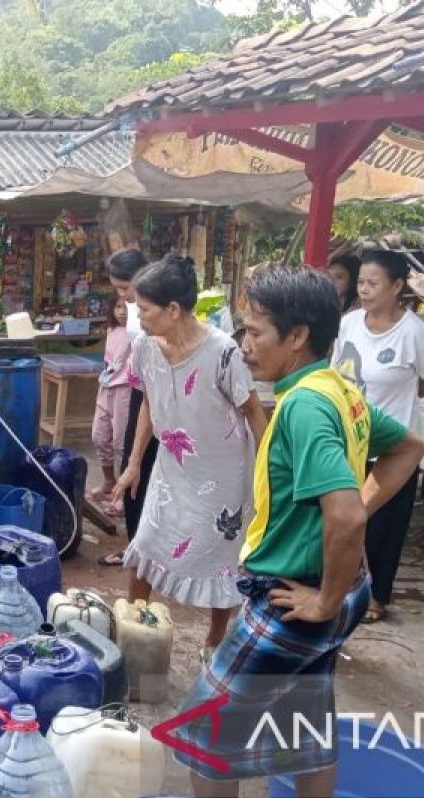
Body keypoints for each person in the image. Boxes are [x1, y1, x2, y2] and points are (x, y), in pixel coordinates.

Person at [172, 266, 424, 798]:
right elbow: (407, 449)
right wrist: (340, 583)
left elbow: (348, 516)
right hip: (339, 585)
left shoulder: (306, 407)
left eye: (256, 332)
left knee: (206, 736)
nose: (243, 345)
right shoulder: (336, 389)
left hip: (297, 598)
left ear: (298, 335)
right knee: (303, 730)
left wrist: (325, 600)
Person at [111, 254, 268, 656]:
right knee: (145, 545)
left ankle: (216, 637)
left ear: (174, 310)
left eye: (143, 309)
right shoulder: (145, 347)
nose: (137, 316)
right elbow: (149, 401)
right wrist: (132, 465)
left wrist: (269, 473)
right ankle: (133, 629)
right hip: (172, 469)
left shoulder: (222, 351)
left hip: (225, 476)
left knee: (222, 559)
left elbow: (251, 410)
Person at [332, 249, 424, 623]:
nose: (364, 290)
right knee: (345, 516)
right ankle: (338, 585)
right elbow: (337, 373)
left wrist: (405, 393)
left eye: (373, 283)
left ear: (397, 286)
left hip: (394, 446)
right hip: (351, 437)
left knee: (384, 525)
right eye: (361, 282)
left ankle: (376, 596)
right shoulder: (349, 324)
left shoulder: (414, 333)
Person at [98, 247, 152, 567]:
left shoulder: (151, 306)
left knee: (143, 468)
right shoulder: (132, 307)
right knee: (136, 467)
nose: (122, 295)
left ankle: (142, 548)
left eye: (123, 287)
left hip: (152, 393)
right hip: (138, 390)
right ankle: (135, 545)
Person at [87, 294, 134, 510]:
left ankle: (123, 494)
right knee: (99, 435)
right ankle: (108, 482)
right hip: (106, 385)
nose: (122, 312)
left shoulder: (138, 333)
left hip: (126, 388)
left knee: (121, 442)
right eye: (117, 307)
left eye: (126, 307)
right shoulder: (112, 330)